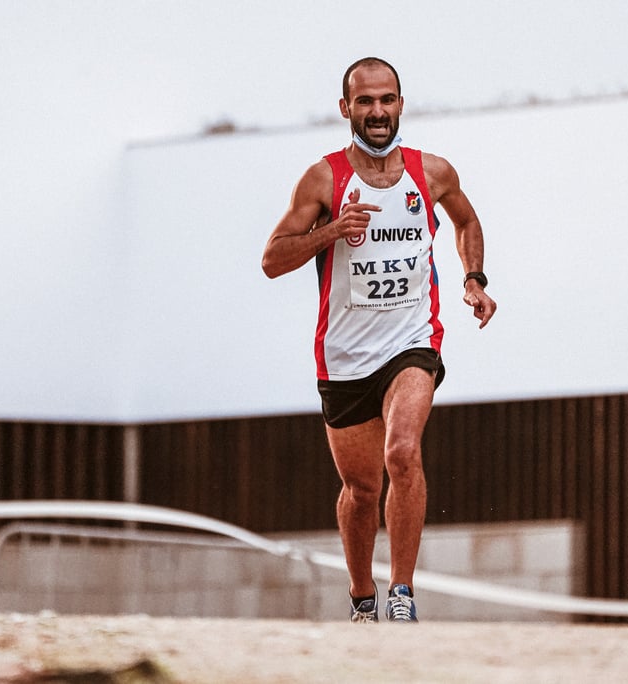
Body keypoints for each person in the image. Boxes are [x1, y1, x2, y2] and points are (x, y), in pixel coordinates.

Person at [261, 57, 496, 623]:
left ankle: (402, 595)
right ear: (346, 109)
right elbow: (271, 260)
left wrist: (473, 279)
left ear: (401, 104)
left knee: (403, 453)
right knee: (361, 490)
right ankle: (362, 595)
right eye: (364, 102)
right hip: (344, 356)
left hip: (412, 339)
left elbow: (466, 222)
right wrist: (331, 232)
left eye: (386, 100)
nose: (377, 112)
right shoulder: (322, 179)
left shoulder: (432, 172)